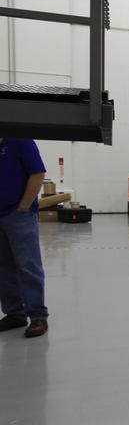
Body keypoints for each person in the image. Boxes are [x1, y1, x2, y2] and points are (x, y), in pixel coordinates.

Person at [0, 136, 49, 337]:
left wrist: (23, 207)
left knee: (28, 265)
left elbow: (37, 173)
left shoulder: (21, 139)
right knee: (4, 267)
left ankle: (38, 316)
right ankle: (15, 314)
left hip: (18, 215)